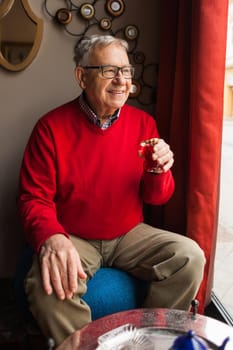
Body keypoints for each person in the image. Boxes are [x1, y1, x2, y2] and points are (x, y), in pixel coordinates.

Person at [17, 34, 205, 347]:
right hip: (74, 234)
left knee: (190, 256)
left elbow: (156, 197)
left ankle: (150, 343)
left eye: (126, 71)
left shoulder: (143, 123)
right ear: (82, 76)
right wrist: (52, 237)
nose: (121, 80)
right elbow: (33, 198)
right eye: (108, 70)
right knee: (45, 286)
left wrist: (159, 170)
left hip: (129, 233)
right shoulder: (50, 127)